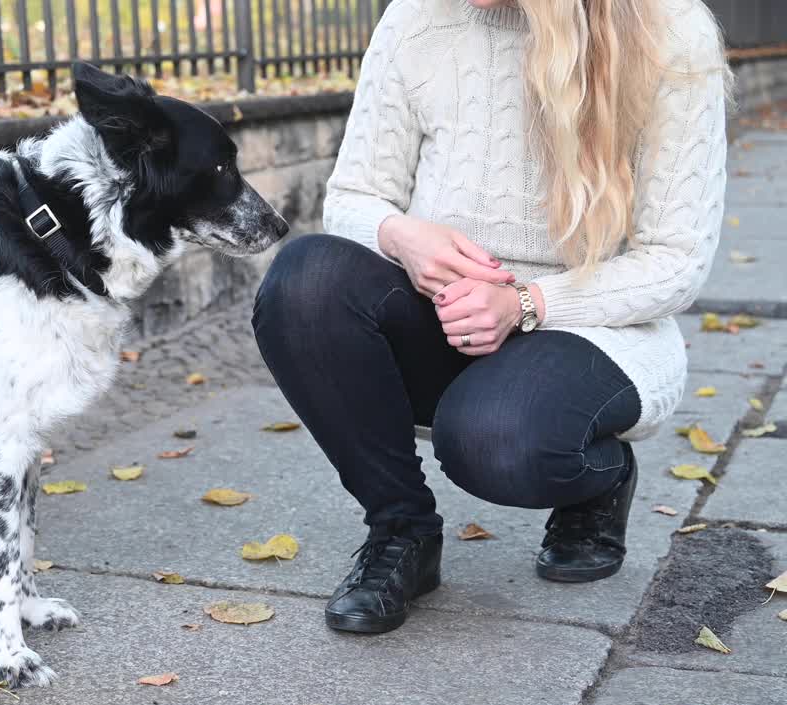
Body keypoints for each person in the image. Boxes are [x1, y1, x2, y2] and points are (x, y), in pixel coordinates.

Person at [252, 0, 729, 634]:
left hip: (593, 327)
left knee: (493, 444)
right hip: (446, 316)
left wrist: (527, 303)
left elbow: (675, 263)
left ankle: (596, 480)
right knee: (304, 279)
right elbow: (353, 197)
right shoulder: (417, 19)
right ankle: (403, 530)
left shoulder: (668, 29)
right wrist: (401, 236)